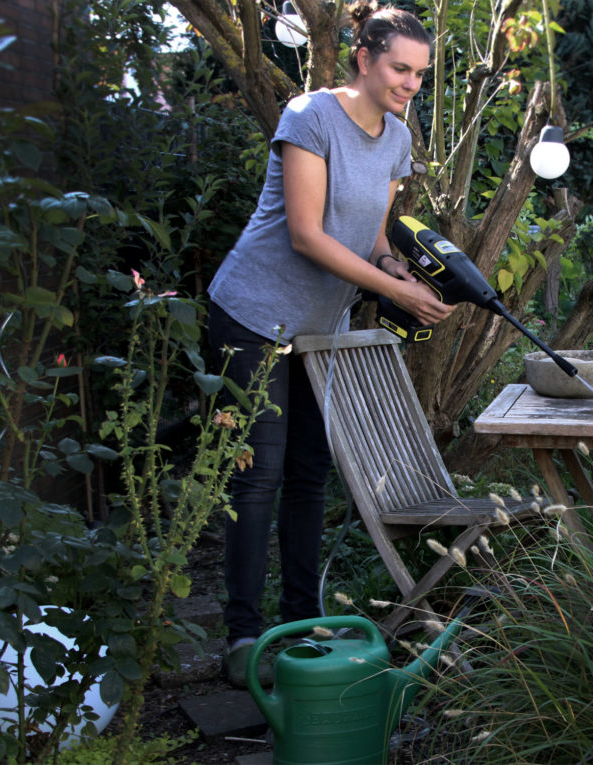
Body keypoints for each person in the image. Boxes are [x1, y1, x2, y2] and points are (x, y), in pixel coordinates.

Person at [205, 0, 454, 688]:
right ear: (366, 59)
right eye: (401, 68)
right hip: (254, 313)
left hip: (324, 328)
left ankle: (302, 616)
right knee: (258, 476)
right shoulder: (310, 117)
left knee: (312, 473)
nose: (410, 83)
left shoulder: (397, 138)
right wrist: (392, 291)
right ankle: (244, 633)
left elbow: (371, 235)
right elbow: (307, 235)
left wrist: (398, 270)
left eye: (420, 73)